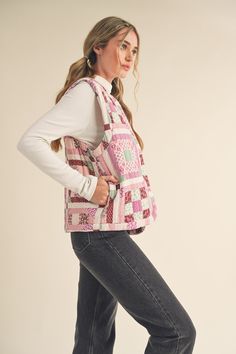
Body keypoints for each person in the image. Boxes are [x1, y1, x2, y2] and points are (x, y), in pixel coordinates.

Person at [17, 16, 196, 354]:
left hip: (106, 230)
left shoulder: (106, 98)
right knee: (176, 332)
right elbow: (31, 141)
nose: (130, 56)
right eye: (123, 45)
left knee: (94, 340)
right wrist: (87, 186)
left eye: (135, 50)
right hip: (99, 236)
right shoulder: (86, 95)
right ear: (98, 47)